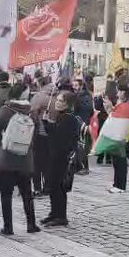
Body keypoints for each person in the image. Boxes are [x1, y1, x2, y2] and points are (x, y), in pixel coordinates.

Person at [0, 94, 38, 235]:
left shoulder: (4, 110)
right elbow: (35, 133)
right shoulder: (31, 111)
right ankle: (31, 224)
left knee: (6, 193)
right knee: (27, 193)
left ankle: (8, 227)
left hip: (6, 158)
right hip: (25, 158)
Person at [42, 90, 81, 226]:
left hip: (61, 158)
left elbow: (60, 138)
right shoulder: (61, 116)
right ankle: (54, 213)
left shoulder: (69, 118)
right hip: (55, 156)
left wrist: (48, 124)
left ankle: (61, 216)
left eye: (61, 101)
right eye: (57, 100)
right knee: (53, 186)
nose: (57, 103)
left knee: (59, 187)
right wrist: (47, 123)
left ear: (67, 104)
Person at [94, 88, 129, 193]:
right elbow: (114, 115)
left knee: (120, 161)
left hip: (119, 137)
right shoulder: (123, 105)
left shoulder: (127, 106)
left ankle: (120, 186)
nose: (118, 93)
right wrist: (109, 107)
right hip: (118, 137)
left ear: (126, 94)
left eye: (120, 91)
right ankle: (116, 184)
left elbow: (118, 120)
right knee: (116, 160)